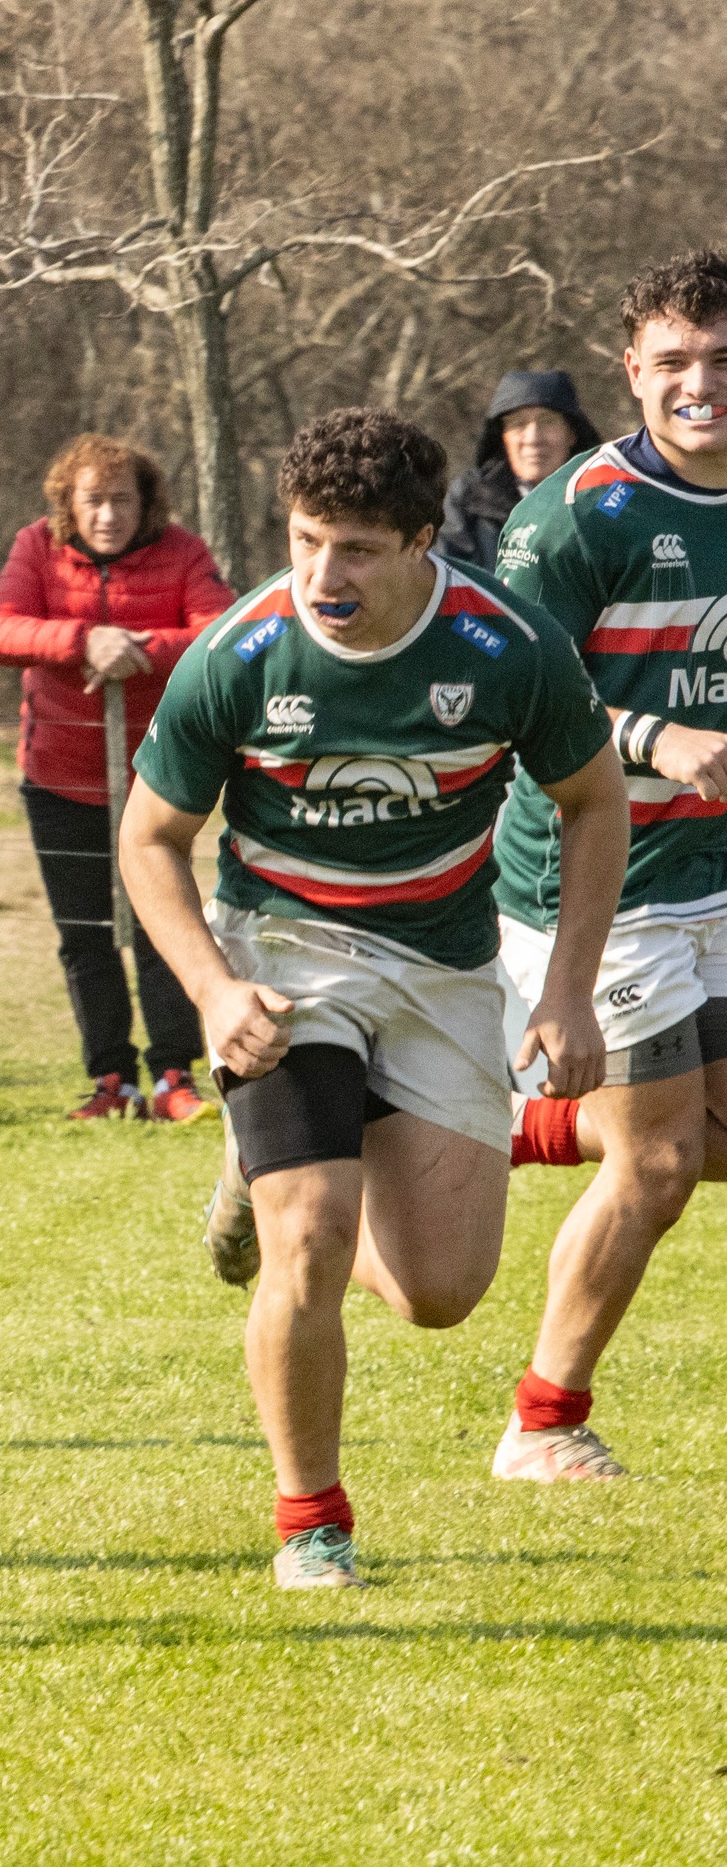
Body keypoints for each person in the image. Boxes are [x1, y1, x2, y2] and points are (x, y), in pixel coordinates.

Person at [118, 408, 626, 1589]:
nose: (320, 574)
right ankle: (311, 1526)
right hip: (284, 953)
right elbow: (150, 838)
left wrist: (566, 990)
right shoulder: (240, 652)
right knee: (310, 1236)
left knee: (442, 1292)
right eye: (303, 540)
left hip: (445, 965)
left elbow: (595, 802)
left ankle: (266, 1160)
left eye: (353, 548)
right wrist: (208, 986)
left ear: (416, 545)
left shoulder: (508, 646)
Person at [492, 249, 727, 1482]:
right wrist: (652, 736)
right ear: (632, 372)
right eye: (674, 362)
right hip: (600, 879)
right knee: (660, 1157)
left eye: (721, 360)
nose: (701, 385)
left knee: (701, 1136)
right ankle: (541, 1424)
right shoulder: (576, 515)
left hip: (715, 868)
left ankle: (489, 1122)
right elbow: (511, 698)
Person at [0, 433, 233, 1120]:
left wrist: (141, 649)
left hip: (157, 780)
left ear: (145, 502)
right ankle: (109, 1080)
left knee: (163, 925)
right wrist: (80, 640)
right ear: (68, 502)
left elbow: (220, 633)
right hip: (57, 776)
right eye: (92, 500)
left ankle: (174, 1077)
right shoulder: (35, 547)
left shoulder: (181, 552)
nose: (107, 515)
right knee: (84, 934)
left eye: (121, 500)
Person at [439, 371, 599, 572]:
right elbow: (447, 579)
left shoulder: (604, 500)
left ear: (572, 433)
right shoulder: (469, 500)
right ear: (502, 437)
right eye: (518, 424)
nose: (533, 438)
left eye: (547, 421)